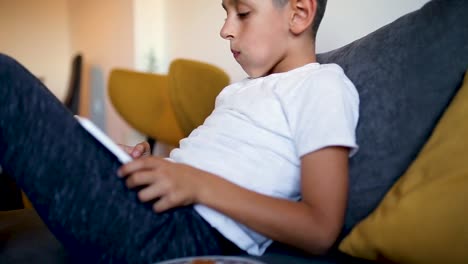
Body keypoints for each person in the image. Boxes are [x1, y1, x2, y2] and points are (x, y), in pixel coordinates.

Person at [0, 0, 359, 262]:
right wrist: (147, 168)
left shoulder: (321, 85)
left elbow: (320, 229)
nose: (225, 29)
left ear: (299, 14)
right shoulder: (238, 91)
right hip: (155, 210)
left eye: (243, 13)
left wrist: (194, 183)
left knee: (7, 82)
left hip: (182, 235)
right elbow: (213, 164)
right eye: (225, 13)